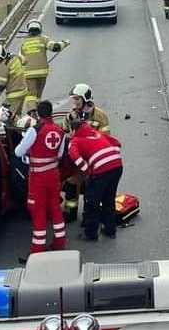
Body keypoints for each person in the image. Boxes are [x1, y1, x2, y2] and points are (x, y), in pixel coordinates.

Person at [15, 100, 67, 260]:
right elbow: (59, 154)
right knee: (55, 209)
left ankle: (37, 250)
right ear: (51, 112)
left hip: (38, 177)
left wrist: (32, 148)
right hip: (53, 175)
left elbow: (18, 152)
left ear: (38, 113)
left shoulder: (34, 130)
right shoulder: (60, 131)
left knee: (38, 212)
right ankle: (60, 243)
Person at [62, 83, 111, 221]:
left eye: (77, 99)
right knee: (71, 185)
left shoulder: (100, 116)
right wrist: (70, 119)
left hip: (93, 160)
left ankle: (88, 217)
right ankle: (70, 212)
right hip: (77, 160)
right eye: (74, 99)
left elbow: (105, 139)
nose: (75, 102)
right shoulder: (73, 114)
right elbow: (65, 130)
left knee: (91, 189)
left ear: (85, 99)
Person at [69, 121, 124, 241]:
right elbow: (117, 143)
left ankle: (90, 234)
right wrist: (111, 157)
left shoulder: (75, 140)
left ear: (74, 130)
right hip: (117, 165)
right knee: (109, 199)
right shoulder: (97, 133)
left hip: (101, 169)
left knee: (92, 202)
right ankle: (110, 230)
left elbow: (74, 157)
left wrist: (87, 171)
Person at [20, 19, 69, 100]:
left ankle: (31, 111)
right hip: (42, 73)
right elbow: (55, 47)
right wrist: (64, 43)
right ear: (40, 29)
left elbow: (22, 60)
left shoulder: (24, 42)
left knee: (31, 96)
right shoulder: (44, 39)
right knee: (39, 95)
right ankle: (38, 109)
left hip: (29, 74)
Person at [0, 44, 27, 119]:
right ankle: (18, 128)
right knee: (16, 115)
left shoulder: (3, 65)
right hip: (23, 90)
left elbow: (1, 84)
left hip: (14, 94)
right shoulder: (14, 57)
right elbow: (23, 61)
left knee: (5, 117)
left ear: (1, 57)